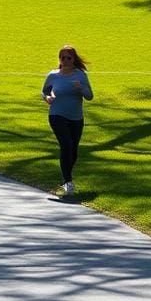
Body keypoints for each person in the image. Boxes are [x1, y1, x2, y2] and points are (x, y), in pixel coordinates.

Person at [41, 44, 94, 196]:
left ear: (74, 59)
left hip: (76, 117)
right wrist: (47, 98)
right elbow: (44, 91)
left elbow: (90, 96)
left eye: (68, 58)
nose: (65, 60)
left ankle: (67, 176)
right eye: (62, 57)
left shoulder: (80, 75)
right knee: (66, 145)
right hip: (57, 115)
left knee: (74, 150)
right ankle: (67, 181)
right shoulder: (53, 75)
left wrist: (81, 89)